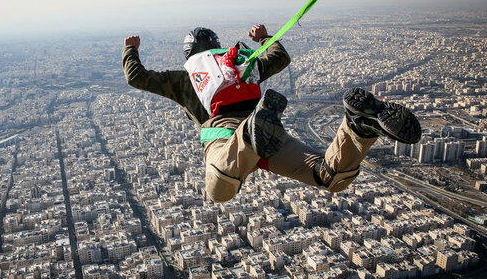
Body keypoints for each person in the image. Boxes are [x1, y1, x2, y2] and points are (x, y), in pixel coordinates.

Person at [122, 25, 421, 203]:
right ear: (215, 47)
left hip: (228, 135)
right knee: (328, 178)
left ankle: (250, 136)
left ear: (189, 56)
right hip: (268, 131)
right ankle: (359, 128)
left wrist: (131, 48)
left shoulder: (185, 79)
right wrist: (264, 38)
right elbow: (280, 58)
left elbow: (136, 77)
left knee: (219, 187)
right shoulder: (238, 67)